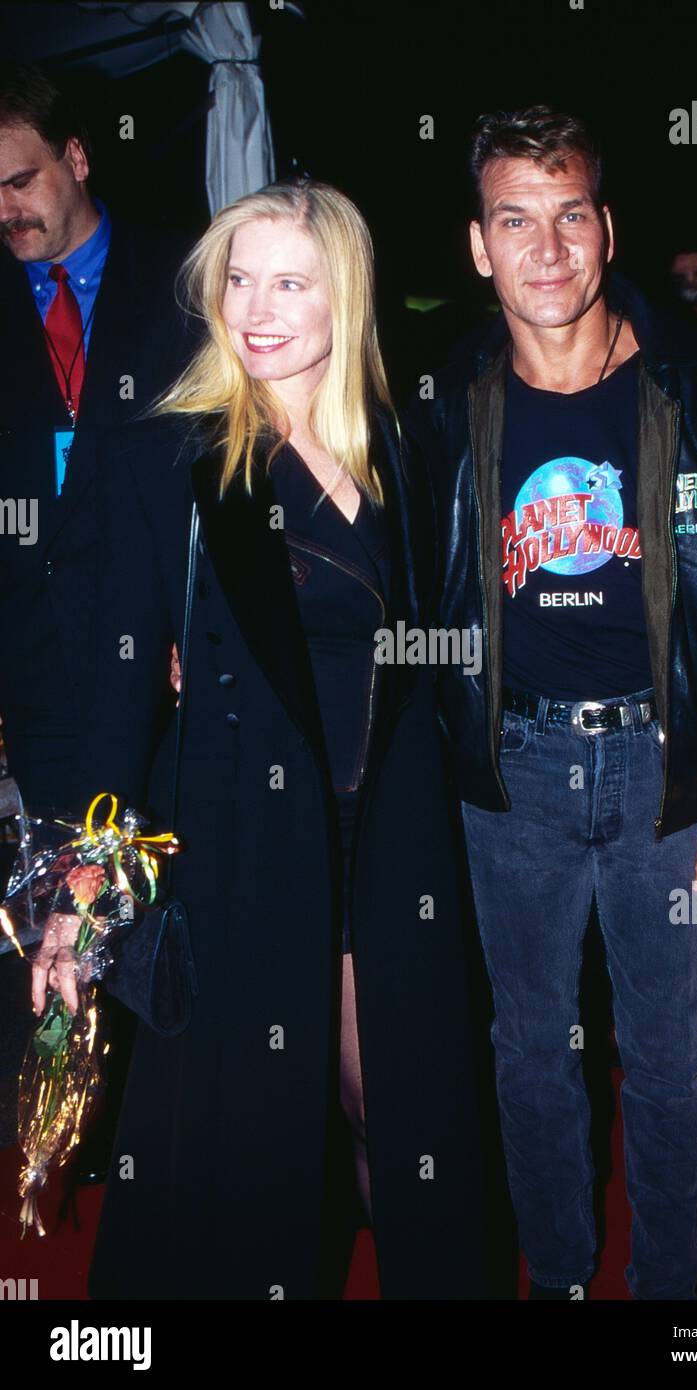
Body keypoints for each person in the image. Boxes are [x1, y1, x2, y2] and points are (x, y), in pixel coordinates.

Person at [31, 177, 512, 1300]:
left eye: (288, 281)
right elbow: (114, 683)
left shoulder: (401, 445)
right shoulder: (177, 455)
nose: (255, 306)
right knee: (245, 1139)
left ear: (343, 298)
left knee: (398, 1103)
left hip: (391, 838)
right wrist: (80, 886)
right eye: (237, 279)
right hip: (246, 839)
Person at [406, 105, 697, 1300]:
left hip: (673, 775)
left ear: (606, 227)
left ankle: (669, 1296)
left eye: (569, 215)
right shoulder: (441, 404)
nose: (546, 250)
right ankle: (560, 1275)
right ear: (478, 247)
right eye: (514, 221)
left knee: (671, 1065)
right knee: (529, 1055)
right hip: (510, 776)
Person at [0, 63, 194, 814]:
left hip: (164, 666)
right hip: (37, 675)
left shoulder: (184, 278)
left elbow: (223, 461)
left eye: (20, 181)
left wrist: (196, 614)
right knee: (69, 909)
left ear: (76, 158)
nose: (6, 209)